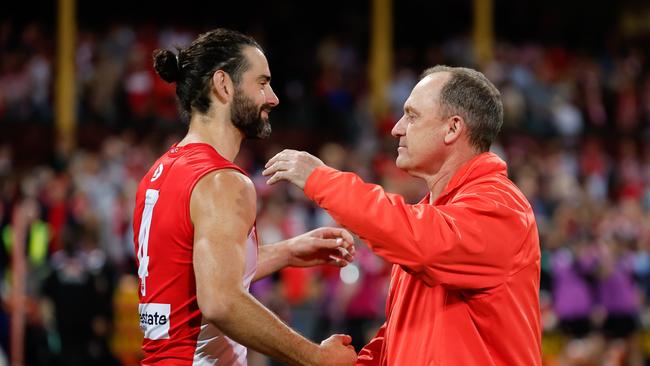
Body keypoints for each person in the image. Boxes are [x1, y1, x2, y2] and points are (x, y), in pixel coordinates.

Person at [263, 65, 542, 365]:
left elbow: (420, 239)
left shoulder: (501, 206)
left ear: (452, 128)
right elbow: (405, 335)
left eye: (412, 115)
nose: (396, 128)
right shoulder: (433, 217)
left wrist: (321, 180)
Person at [133, 28, 357, 365]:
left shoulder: (161, 171)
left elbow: (198, 273)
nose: (273, 98)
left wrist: (287, 251)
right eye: (262, 83)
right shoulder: (221, 181)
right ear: (224, 85)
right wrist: (317, 358)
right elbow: (221, 300)